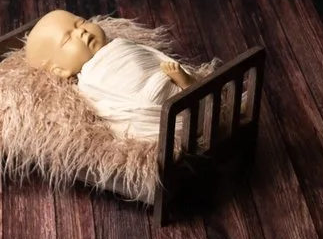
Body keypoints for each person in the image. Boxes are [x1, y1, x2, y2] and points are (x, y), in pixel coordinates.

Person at [20, 8, 194, 141]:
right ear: (61, 70)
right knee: (144, 112)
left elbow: (151, 58)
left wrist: (165, 76)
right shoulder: (88, 82)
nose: (81, 32)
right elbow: (107, 108)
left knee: (172, 76)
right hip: (150, 108)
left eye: (81, 23)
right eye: (67, 39)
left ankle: (187, 86)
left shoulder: (120, 44)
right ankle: (186, 98)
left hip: (163, 82)